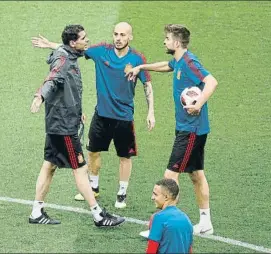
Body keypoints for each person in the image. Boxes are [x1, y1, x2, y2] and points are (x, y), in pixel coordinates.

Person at [31, 22, 155, 209]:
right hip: (101, 115)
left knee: (124, 156)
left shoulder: (137, 59)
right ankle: (94, 187)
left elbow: (147, 85)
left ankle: (121, 193)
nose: (118, 38)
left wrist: (150, 111)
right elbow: (71, 49)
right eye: (115, 34)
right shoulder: (101, 51)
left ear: (130, 37)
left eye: (122, 35)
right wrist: (50, 45)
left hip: (124, 116)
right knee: (93, 151)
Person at [29, 24, 125, 227]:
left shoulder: (69, 54)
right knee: (80, 168)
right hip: (63, 126)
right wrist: (40, 96)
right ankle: (98, 214)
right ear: (73, 43)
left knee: (49, 165)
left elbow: (68, 86)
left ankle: (36, 211)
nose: (87, 40)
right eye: (84, 38)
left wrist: (78, 111)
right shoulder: (63, 59)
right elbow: (53, 78)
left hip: (61, 121)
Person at [126, 24, 218, 235]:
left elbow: (211, 81)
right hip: (189, 129)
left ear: (177, 43)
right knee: (196, 175)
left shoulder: (190, 62)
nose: (164, 42)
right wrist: (143, 67)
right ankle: (205, 223)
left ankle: (161, 227)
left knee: (169, 179)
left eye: (167, 38)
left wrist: (199, 102)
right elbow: (167, 66)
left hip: (191, 131)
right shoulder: (179, 61)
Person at [146, 179, 193, 254]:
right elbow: (189, 249)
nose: (152, 197)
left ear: (166, 197)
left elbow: (151, 250)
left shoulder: (158, 217)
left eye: (155, 194)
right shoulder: (186, 219)